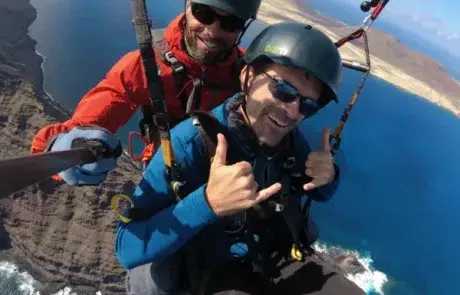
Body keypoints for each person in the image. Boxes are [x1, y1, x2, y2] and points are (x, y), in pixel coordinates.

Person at [115, 22, 364, 295]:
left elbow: (318, 192)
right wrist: (207, 203)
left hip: (274, 255)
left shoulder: (291, 144)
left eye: (307, 104)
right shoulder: (189, 145)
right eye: (283, 91)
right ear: (246, 76)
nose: (292, 112)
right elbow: (127, 246)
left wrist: (328, 177)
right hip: (212, 266)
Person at [29, 0, 262, 185]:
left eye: (231, 23)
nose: (212, 31)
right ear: (188, 5)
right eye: (204, 13)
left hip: (229, 176)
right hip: (166, 170)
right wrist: (59, 148)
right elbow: (99, 110)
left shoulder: (249, 75)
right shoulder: (146, 67)